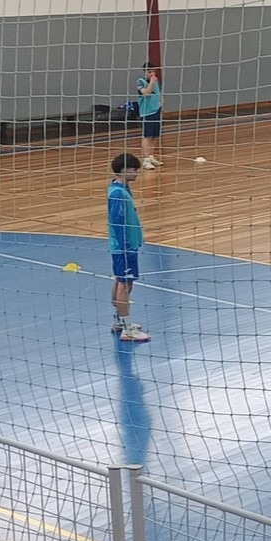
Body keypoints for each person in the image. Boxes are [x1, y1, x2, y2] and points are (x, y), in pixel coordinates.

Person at [107, 153, 150, 343]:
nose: (137, 173)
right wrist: (126, 245)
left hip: (125, 245)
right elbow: (118, 222)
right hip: (124, 246)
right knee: (125, 283)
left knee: (121, 280)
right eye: (134, 170)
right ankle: (126, 328)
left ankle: (118, 321)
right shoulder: (117, 193)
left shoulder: (121, 188)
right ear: (124, 171)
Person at [136, 61, 164, 169]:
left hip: (156, 111)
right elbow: (146, 92)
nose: (152, 73)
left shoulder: (157, 82)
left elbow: (159, 94)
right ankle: (146, 159)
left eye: (153, 71)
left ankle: (151, 156)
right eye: (149, 71)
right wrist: (152, 82)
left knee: (154, 135)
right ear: (145, 72)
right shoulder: (141, 81)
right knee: (147, 136)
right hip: (146, 113)